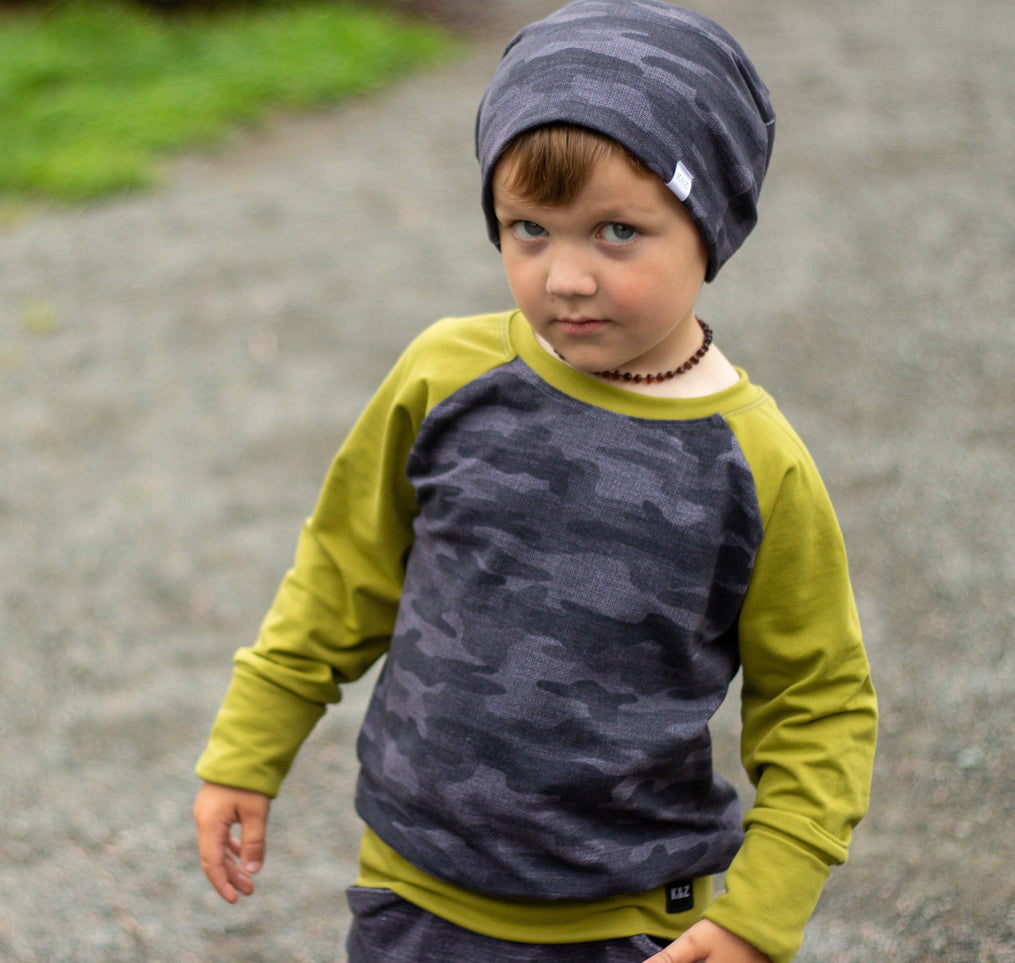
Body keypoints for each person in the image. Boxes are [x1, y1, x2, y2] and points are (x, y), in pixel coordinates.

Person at [192, 1, 877, 960]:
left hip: (632, 919)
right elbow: (341, 570)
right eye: (527, 228)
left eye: (615, 232)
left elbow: (818, 700)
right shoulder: (447, 376)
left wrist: (762, 906)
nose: (565, 276)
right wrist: (247, 748)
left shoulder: (752, 463)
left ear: (707, 226)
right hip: (413, 897)